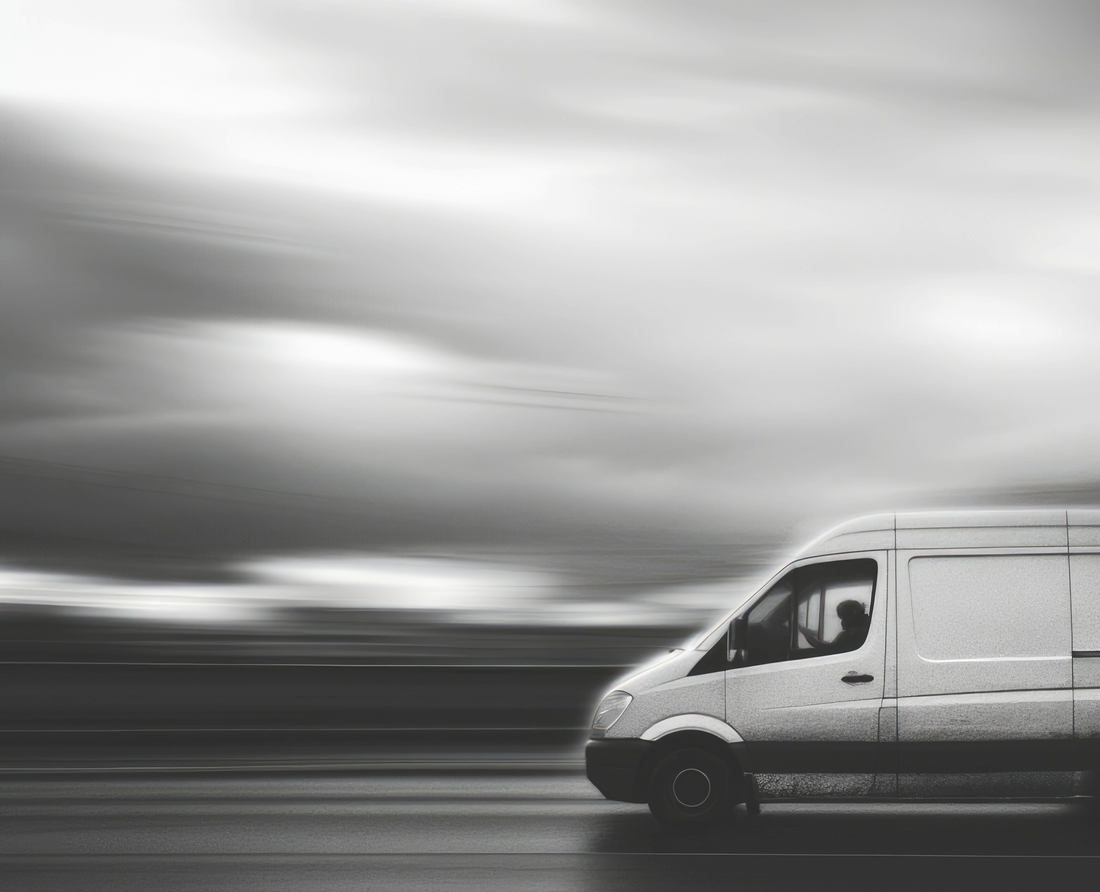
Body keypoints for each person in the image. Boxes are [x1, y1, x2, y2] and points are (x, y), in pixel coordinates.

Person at [798, 599, 869, 653]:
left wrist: (803, 631)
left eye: (843, 618)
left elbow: (826, 648)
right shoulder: (865, 628)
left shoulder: (852, 633)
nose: (842, 622)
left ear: (850, 616)